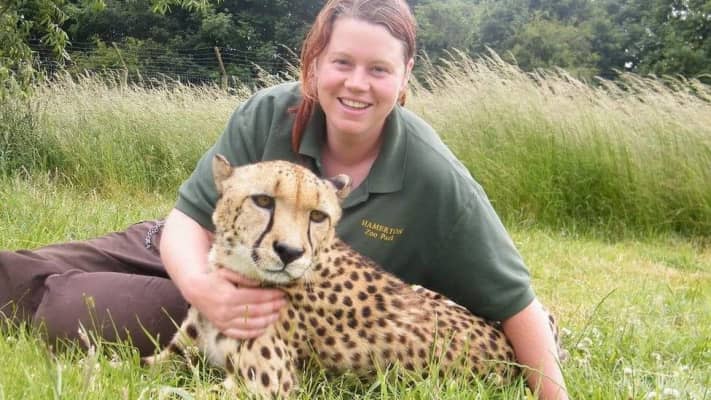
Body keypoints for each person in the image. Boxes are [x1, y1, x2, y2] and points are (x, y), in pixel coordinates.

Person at [0, 0, 567, 398]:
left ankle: (49, 298)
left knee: (76, 306)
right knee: (16, 271)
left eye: (379, 69)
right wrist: (201, 286)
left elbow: (517, 302)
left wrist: (553, 392)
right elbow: (187, 220)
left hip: (270, 296)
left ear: (405, 75)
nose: (357, 84)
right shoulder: (271, 111)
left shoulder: (435, 177)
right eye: (342, 62)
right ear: (315, 62)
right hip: (200, 245)